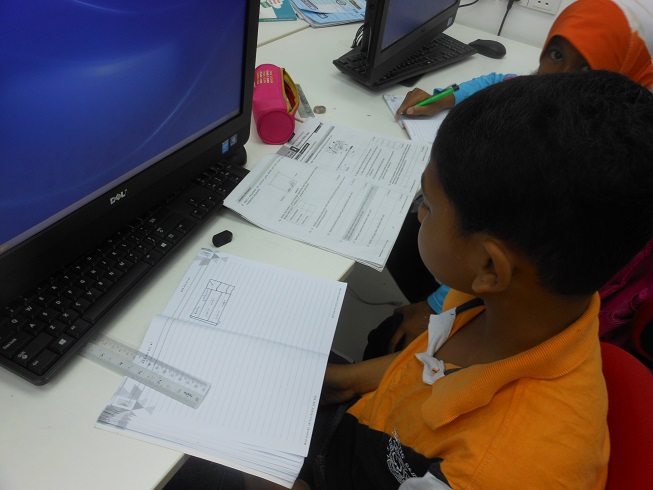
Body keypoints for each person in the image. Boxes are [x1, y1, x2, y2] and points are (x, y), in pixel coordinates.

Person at [309, 71, 653, 489]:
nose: (419, 212)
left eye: (427, 204)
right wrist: (346, 381)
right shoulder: (513, 309)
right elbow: (426, 371)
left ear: (490, 266)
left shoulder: (496, 471)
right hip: (366, 430)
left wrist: (261, 474)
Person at [381, 0, 653, 357]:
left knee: (389, 330)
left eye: (586, 67)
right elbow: (503, 81)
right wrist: (446, 97)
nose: (558, 76)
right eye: (556, 53)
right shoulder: (560, 112)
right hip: (493, 274)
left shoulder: (584, 171)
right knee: (408, 234)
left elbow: (498, 253)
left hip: (524, 316)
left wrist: (434, 308)